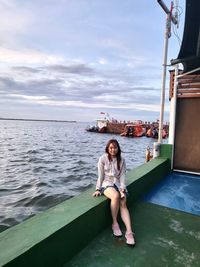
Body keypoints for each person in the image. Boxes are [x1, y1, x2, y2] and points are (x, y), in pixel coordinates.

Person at [93, 139, 135, 246]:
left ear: (118, 148)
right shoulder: (102, 159)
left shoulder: (122, 160)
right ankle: (115, 223)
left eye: (115, 147)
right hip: (106, 184)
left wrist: (122, 187)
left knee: (123, 202)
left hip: (118, 184)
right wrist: (98, 189)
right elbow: (101, 176)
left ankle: (129, 232)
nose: (113, 150)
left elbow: (122, 176)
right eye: (111, 147)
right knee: (115, 196)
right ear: (107, 148)